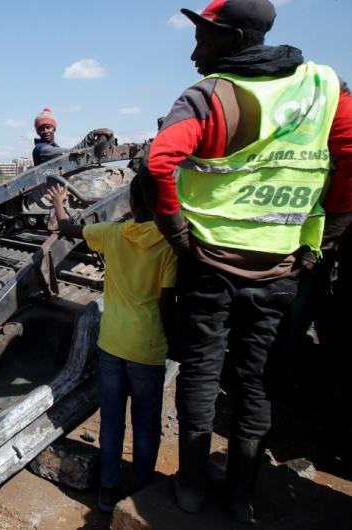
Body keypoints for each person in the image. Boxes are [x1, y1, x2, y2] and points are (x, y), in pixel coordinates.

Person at [142, 1, 352, 522]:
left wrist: (175, 232)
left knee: (199, 375)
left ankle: (189, 491)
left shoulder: (209, 96)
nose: (195, 52)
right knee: (257, 384)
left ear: (234, 39)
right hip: (281, 268)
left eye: (205, 39)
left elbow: (158, 162)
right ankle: (239, 498)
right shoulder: (326, 89)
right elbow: (348, 155)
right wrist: (330, 236)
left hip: (208, 263)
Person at [47, 176, 177, 512]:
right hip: (147, 349)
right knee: (147, 424)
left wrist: (60, 201)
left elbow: (66, 229)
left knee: (112, 422)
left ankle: (108, 491)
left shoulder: (113, 233)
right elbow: (166, 305)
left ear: (131, 203)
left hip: (112, 344)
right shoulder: (168, 245)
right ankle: (144, 489)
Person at [32, 108, 114, 166]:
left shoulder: (54, 147)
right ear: (38, 132)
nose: (46, 131)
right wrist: (93, 134)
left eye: (48, 127)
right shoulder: (41, 149)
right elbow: (71, 153)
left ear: (54, 128)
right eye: (41, 129)